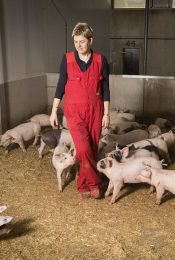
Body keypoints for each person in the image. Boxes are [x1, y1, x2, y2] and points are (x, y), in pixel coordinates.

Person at [49, 22, 110, 199]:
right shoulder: (67, 59)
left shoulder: (100, 60)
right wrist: (54, 110)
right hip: (74, 112)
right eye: (76, 42)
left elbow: (106, 88)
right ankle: (95, 183)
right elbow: (60, 86)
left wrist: (106, 113)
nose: (78, 45)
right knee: (82, 149)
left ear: (91, 40)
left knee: (90, 148)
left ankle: (83, 184)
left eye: (82, 41)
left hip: (95, 111)